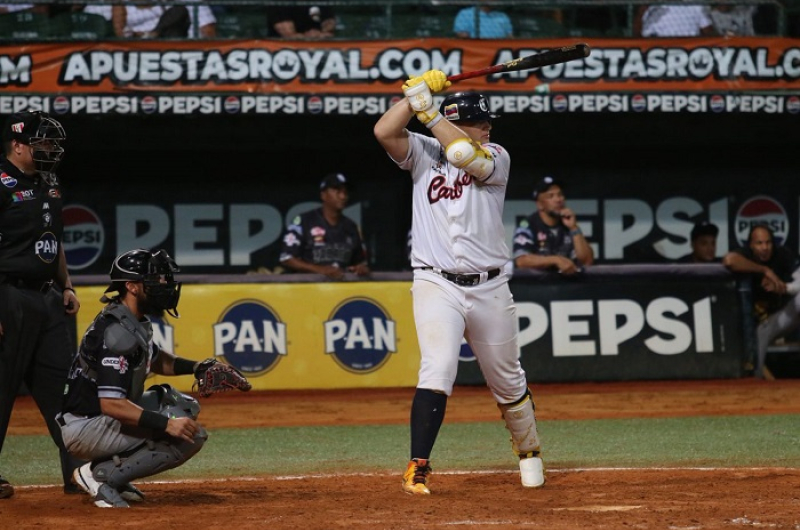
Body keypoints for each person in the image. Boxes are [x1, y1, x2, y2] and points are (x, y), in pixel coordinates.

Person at [374, 79, 544, 494]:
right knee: (439, 367)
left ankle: (529, 450)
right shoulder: (423, 151)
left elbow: (468, 157)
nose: (488, 126)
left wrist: (429, 112)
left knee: (507, 380)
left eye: (487, 120)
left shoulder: (496, 155)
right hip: (435, 280)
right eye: (479, 120)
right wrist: (412, 98)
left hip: (489, 286)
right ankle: (418, 465)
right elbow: (384, 131)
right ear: (460, 120)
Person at [59, 248, 208, 508]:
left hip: (96, 419)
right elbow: (111, 405)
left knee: (180, 405)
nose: (164, 286)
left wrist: (199, 367)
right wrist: (166, 424)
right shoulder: (118, 333)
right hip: (86, 427)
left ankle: (110, 473)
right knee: (184, 431)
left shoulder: (128, 319)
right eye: (155, 280)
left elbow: (157, 358)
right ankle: (99, 476)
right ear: (132, 286)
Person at [0, 110, 83, 499]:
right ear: (17, 146)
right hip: (9, 295)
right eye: (42, 144)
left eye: (52, 144)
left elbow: (54, 237)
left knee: (63, 390)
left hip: (48, 297)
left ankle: (79, 472)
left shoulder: (49, 180)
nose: (50, 150)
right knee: (2, 390)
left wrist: (66, 284)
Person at [722, 225, 800, 379]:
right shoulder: (747, 255)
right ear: (751, 245)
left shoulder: (782, 254)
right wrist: (765, 270)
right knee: (756, 353)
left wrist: (784, 288)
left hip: (783, 315)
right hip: (760, 325)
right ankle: (757, 385)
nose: (764, 248)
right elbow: (730, 260)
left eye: (768, 242)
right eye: (759, 243)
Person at [279, 173, 370, 280]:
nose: (343, 196)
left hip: (340, 291)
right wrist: (320, 270)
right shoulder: (304, 221)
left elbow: (360, 262)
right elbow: (286, 258)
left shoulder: (351, 226)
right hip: (308, 289)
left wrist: (361, 268)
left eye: (345, 192)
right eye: (337, 191)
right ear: (323, 195)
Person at [512, 175, 594, 275]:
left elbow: (587, 261)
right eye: (551, 196)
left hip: (568, 286)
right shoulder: (528, 225)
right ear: (540, 204)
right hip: (539, 287)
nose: (558, 200)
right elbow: (521, 261)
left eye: (560, 195)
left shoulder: (568, 225)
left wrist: (574, 227)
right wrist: (556, 260)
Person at [635, 4, 715, 36]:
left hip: (687, 49)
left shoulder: (694, 4)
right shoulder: (652, 6)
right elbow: (636, 30)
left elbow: (708, 31)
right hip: (654, 48)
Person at [267, 4, 335, 39]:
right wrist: (308, 37)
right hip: (285, 50)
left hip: (319, 47)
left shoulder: (319, 3)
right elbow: (288, 34)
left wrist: (320, 34)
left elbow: (329, 23)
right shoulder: (281, 4)